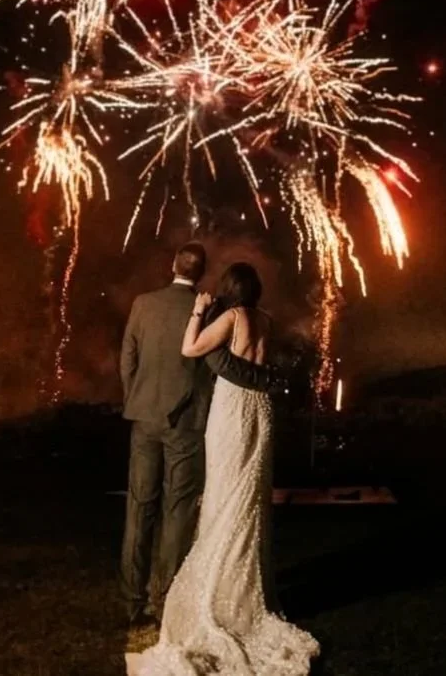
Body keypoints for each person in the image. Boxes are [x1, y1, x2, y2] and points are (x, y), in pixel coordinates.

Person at [134, 262, 319, 676]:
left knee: (223, 492)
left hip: (234, 406)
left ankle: (219, 592)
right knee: (250, 494)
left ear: (230, 290)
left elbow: (191, 349)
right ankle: (250, 591)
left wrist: (199, 312)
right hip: (261, 409)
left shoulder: (232, 317)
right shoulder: (265, 319)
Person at [120, 244, 274, 632]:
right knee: (179, 508)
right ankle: (165, 598)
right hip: (187, 423)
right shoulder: (216, 311)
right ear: (203, 272)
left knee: (140, 508)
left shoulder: (143, 303)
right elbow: (212, 364)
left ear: (172, 265)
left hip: (145, 417)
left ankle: (131, 601)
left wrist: (136, 398)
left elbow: (128, 358)